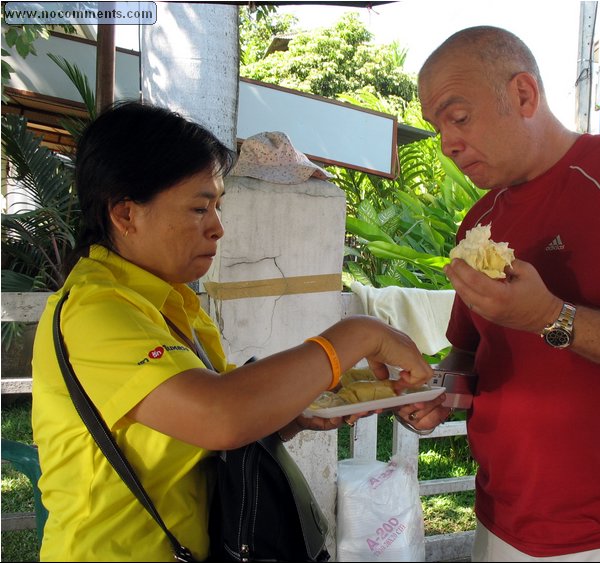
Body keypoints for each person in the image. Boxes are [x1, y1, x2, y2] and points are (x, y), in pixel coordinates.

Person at [31, 100, 434, 562]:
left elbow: (211, 421)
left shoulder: (171, 301)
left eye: (218, 207)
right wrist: (358, 334)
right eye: (200, 208)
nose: (218, 228)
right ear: (126, 215)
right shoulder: (96, 311)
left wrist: (292, 412)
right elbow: (221, 416)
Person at [395, 26, 600, 562]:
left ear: (523, 95)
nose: (447, 143)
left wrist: (553, 316)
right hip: (502, 517)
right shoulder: (478, 221)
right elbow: (472, 351)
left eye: (458, 118)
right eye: (437, 128)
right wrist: (438, 389)